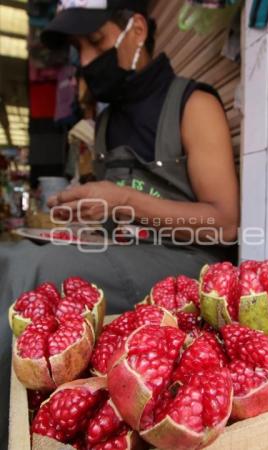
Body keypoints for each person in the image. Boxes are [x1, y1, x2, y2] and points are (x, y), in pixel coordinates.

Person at [0, 0, 239, 446]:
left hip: (186, 266)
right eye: (78, 49)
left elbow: (224, 225)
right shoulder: (107, 122)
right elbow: (113, 220)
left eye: (95, 41)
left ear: (138, 30)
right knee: (9, 255)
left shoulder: (194, 103)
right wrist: (85, 212)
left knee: (33, 273)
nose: (86, 61)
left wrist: (122, 200)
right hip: (122, 256)